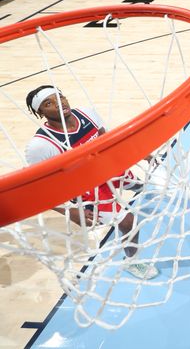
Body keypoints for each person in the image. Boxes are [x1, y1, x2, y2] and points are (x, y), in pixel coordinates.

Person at [24, 85, 158, 280]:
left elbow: (109, 141)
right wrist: (69, 210)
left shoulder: (86, 114)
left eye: (60, 97)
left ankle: (128, 183)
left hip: (107, 169)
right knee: (128, 222)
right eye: (49, 103)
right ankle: (133, 261)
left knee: (139, 185)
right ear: (40, 112)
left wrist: (142, 155)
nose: (59, 104)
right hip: (85, 188)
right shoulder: (40, 146)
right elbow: (38, 189)